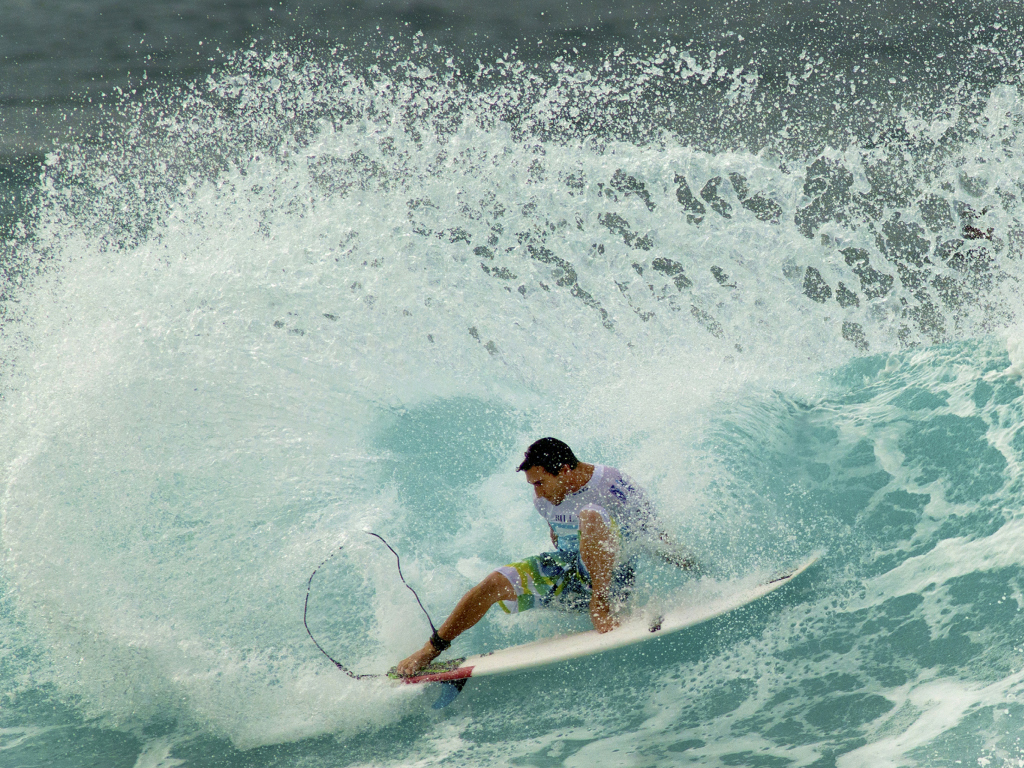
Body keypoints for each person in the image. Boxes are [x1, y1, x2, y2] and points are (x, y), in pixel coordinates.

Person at [395, 437, 697, 676]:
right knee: (493, 583)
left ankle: (600, 604)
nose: (537, 494)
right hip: (572, 575)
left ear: (565, 469)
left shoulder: (613, 485)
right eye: (532, 485)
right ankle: (430, 650)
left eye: (540, 483)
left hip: (614, 582)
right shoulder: (544, 499)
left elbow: (657, 537)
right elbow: (557, 537)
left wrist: (696, 569)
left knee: (590, 516)